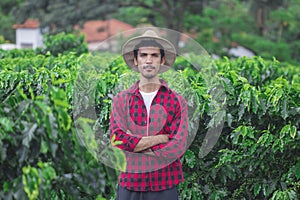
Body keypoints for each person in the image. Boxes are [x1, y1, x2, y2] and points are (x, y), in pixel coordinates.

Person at [109, 29, 188, 200]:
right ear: (136, 60)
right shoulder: (121, 100)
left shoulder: (176, 101)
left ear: (162, 60)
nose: (149, 60)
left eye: (154, 55)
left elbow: (177, 148)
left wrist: (135, 144)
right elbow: (118, 140)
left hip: (165, 183)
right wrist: (161, 139)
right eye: (143, 55)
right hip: (130, 182)